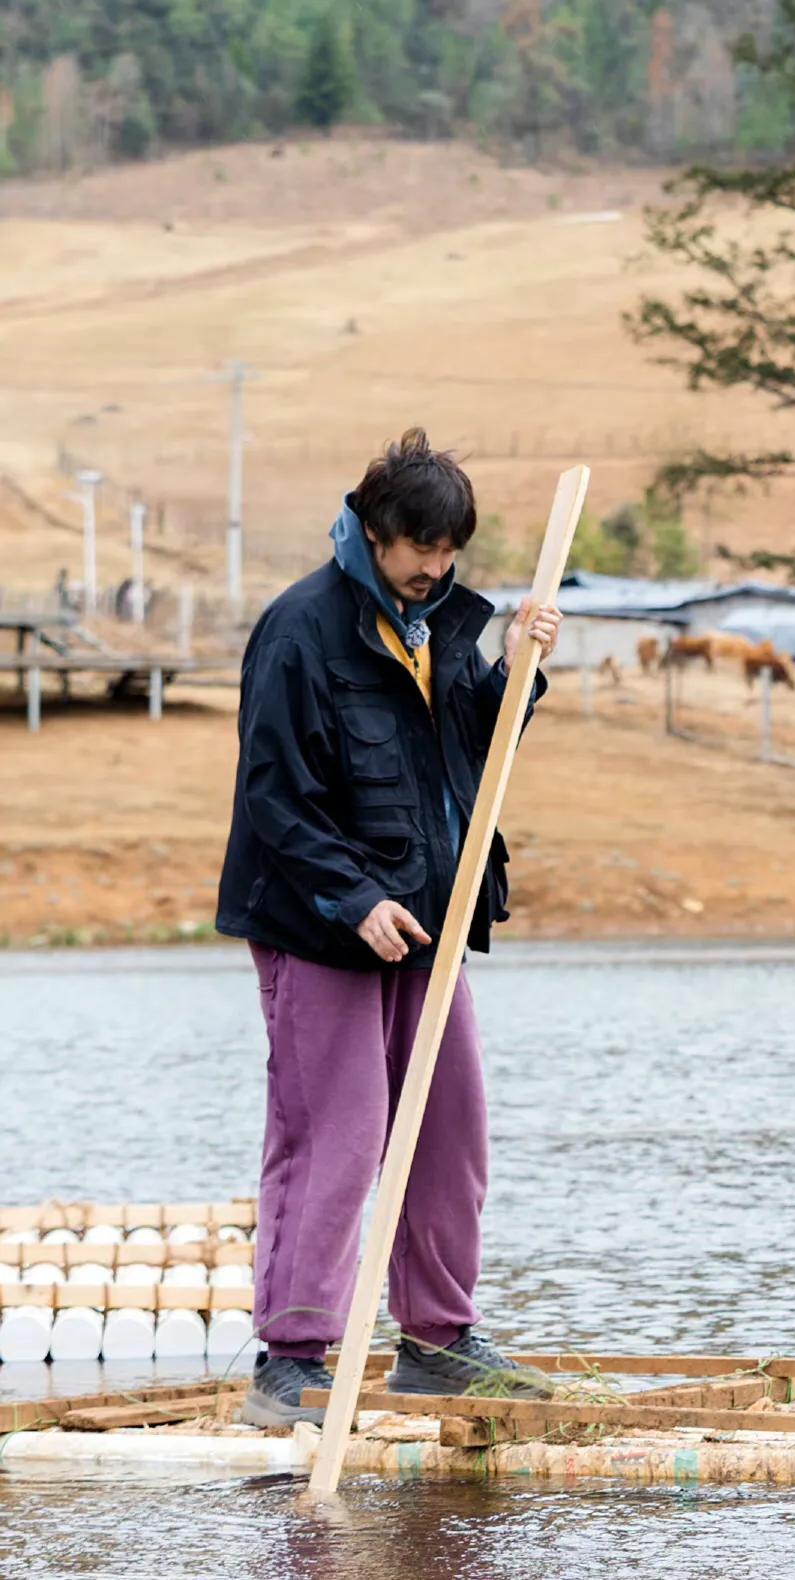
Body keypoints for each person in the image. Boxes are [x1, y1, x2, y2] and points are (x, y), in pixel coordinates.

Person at [215, 428, 563, 1428]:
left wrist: (516, 671)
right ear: (373, 530)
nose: (435, 570)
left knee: (449, 1127)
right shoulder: (301, 629)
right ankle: (291, 1359)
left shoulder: (445, 622)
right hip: (319, 922)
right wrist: (354, 898)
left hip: (430, 920)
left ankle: (436, 1341)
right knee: (338, 1132)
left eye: (450, 552)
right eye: (420, 550)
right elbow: (273, 796)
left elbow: (471, 755)